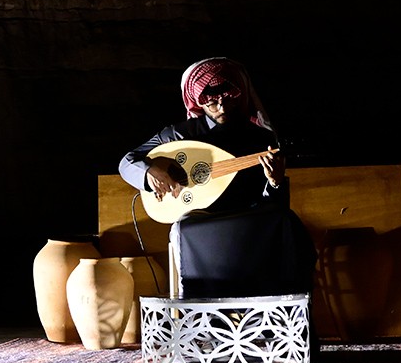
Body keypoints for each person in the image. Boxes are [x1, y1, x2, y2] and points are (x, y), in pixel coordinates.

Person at [118, 57, 316, 301]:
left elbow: (274, 203)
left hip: (247, 218)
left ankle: (283, 310)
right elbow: (127, 162)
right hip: (201, 220)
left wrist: (274, 181)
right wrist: (149, 173)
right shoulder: (180, 135)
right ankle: (204, 315)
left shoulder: (258, 138)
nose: (222, 108)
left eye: (228, 100)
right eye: (212, 102)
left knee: (287, 221)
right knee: (186, 227)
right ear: (199, 101)